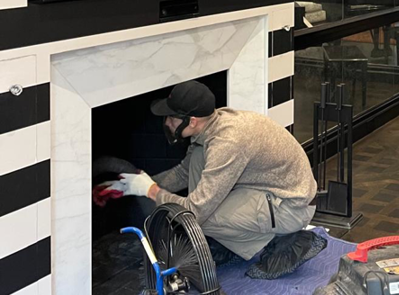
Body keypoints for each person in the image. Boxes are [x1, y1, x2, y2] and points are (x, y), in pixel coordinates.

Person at [97, 80, 326, 279]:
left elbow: (195, 212)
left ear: (192, 121)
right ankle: (230, 240)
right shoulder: (212, 126)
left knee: (196, 221)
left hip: (291, 206)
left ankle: (285, 244)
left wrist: (152, 192)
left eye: (171, 118)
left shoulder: (227, 143)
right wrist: (135, 185)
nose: (166, 123)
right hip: (268, 192)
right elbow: (184, 172)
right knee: (198, 159)